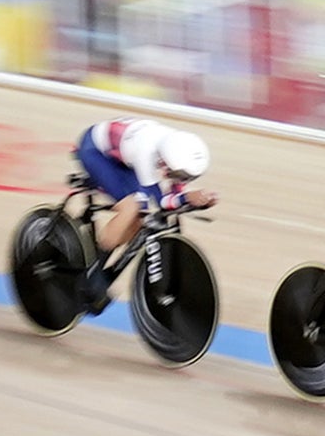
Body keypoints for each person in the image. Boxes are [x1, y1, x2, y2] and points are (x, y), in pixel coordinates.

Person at [75, 117, 218, 312]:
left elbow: (175, 191)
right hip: (96, 152)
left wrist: (197, 199)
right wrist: (187, 198)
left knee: (139, 218)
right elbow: (160, 201)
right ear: (165, 161)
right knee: (132, 207)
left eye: (188, 178)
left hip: (124, 157)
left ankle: (105, 258)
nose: (183, 180)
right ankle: (93, 273)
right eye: (181, 176)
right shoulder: (147, 151)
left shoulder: (174, 150)